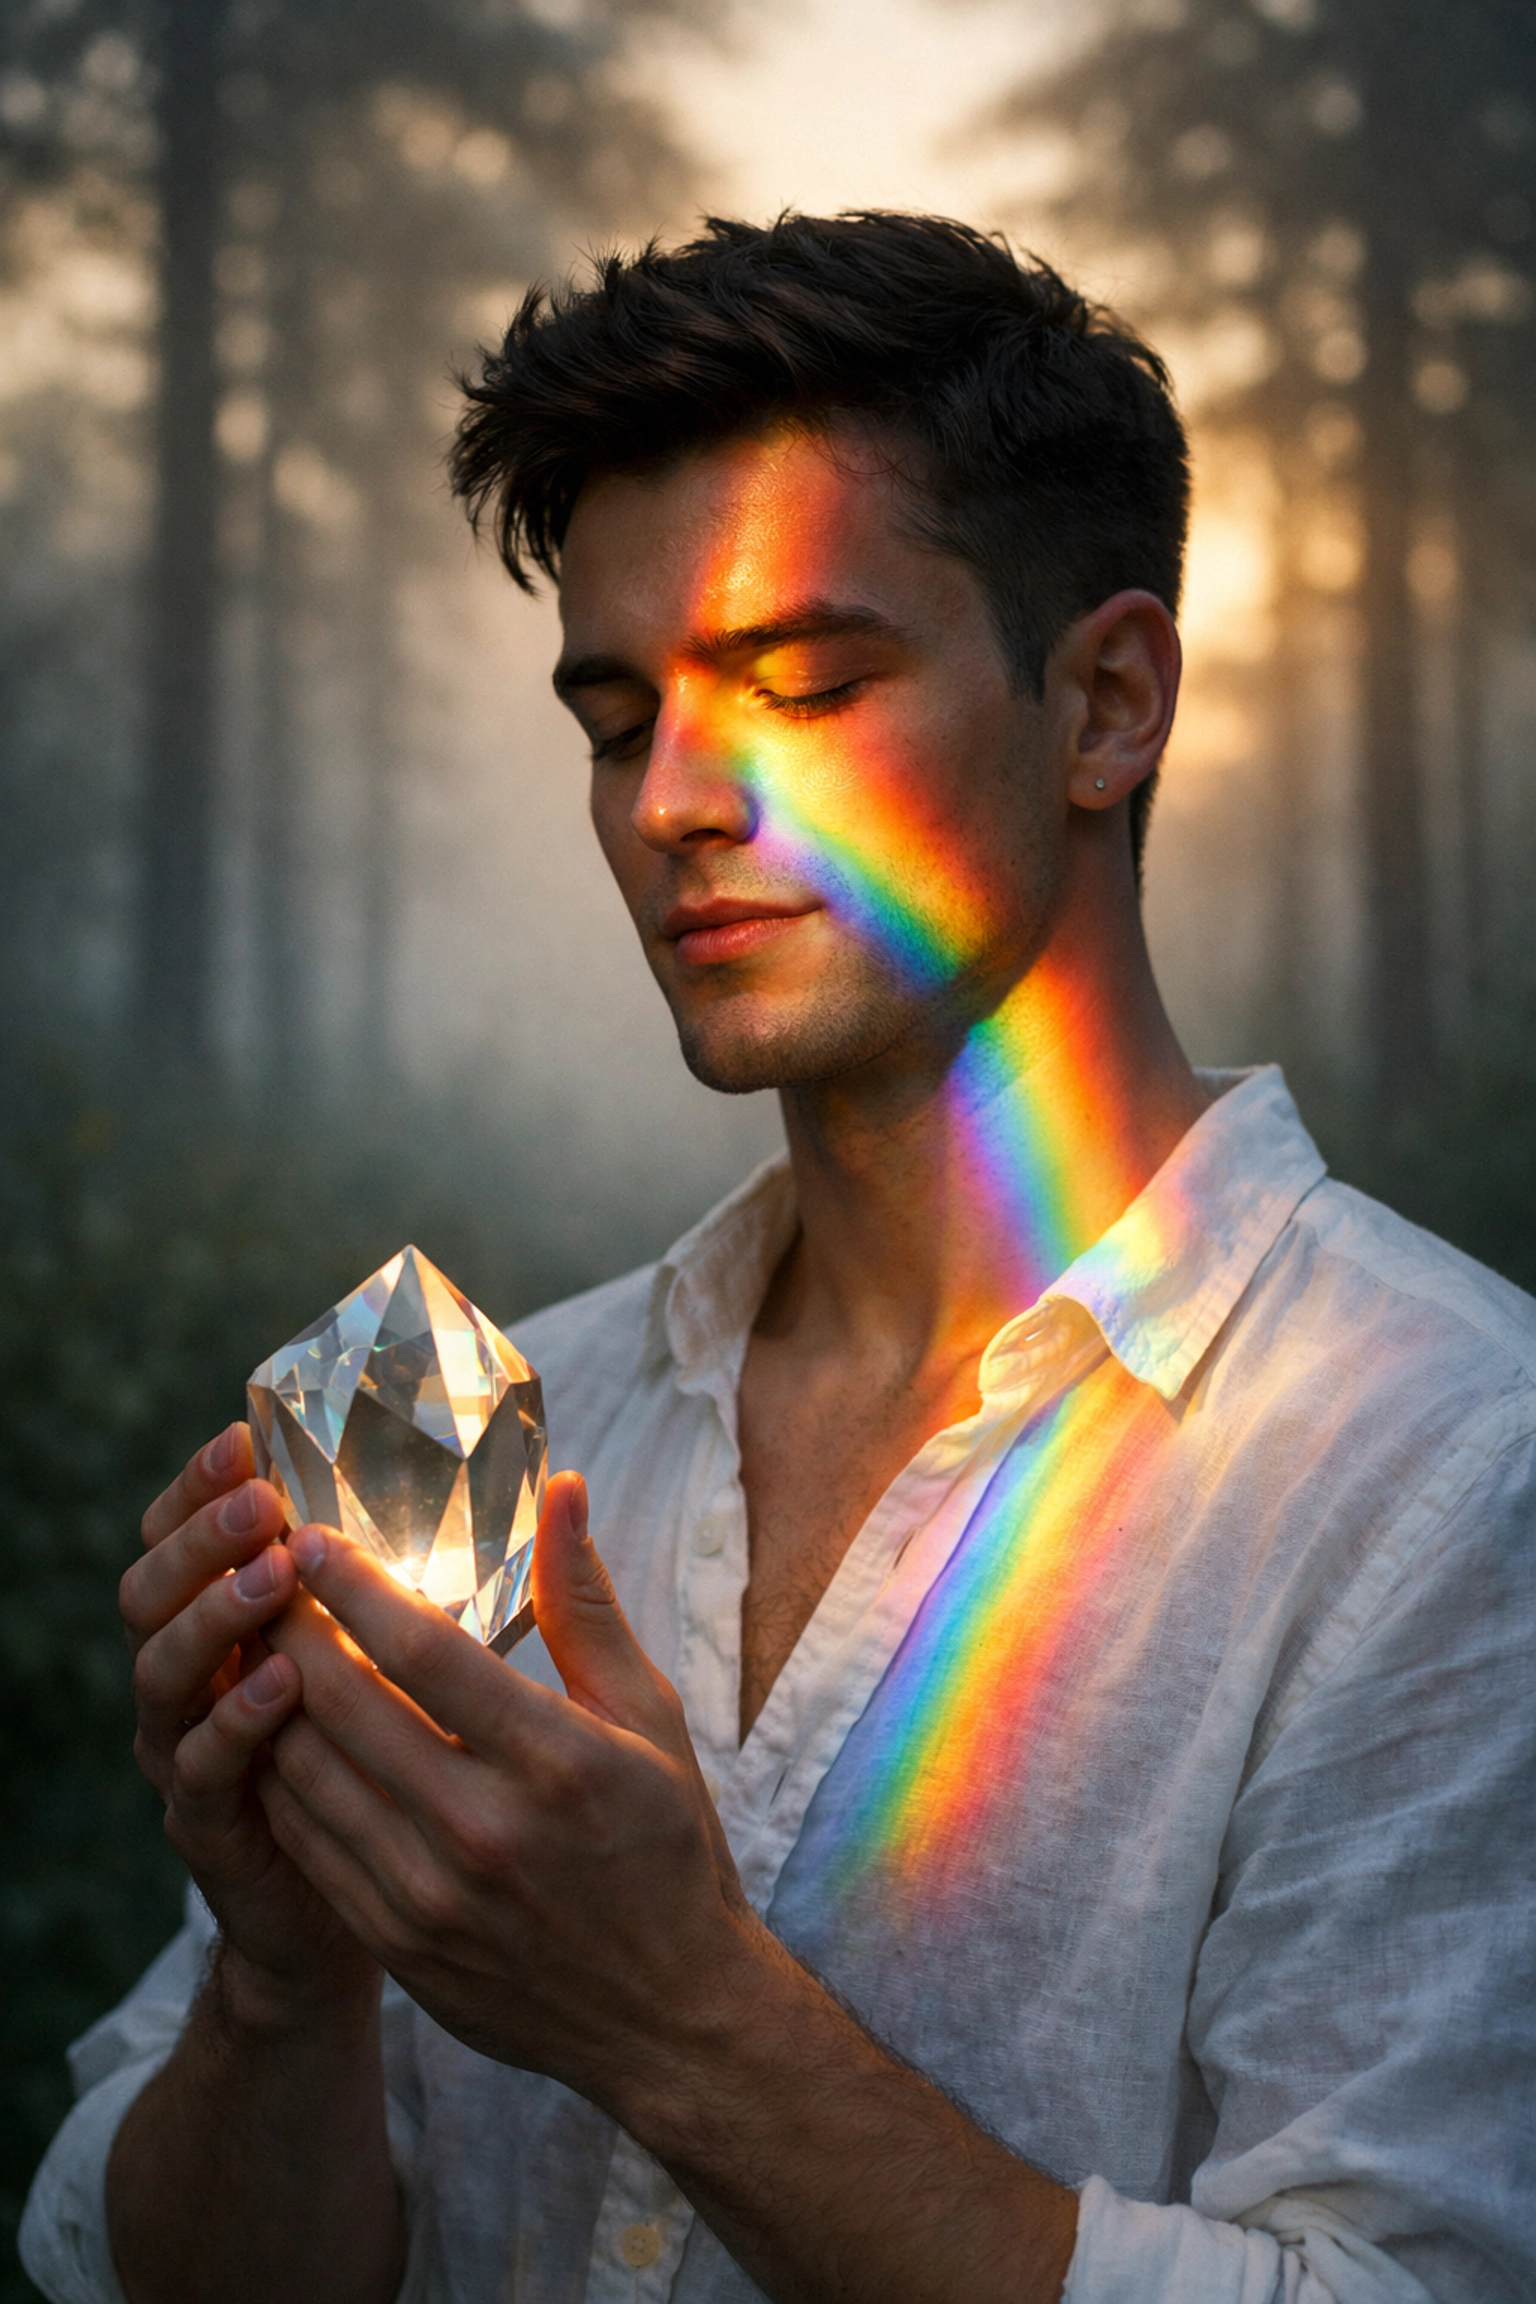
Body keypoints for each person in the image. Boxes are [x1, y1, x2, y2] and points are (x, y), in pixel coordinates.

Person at [21, 213, 1536, 2304]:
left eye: (802, 682)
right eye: (615, 713)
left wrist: (679, 2017)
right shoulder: (513, 1427)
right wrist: (291, 1982)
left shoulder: (1453, 1464)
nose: (669, 801)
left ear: (1106, 703)